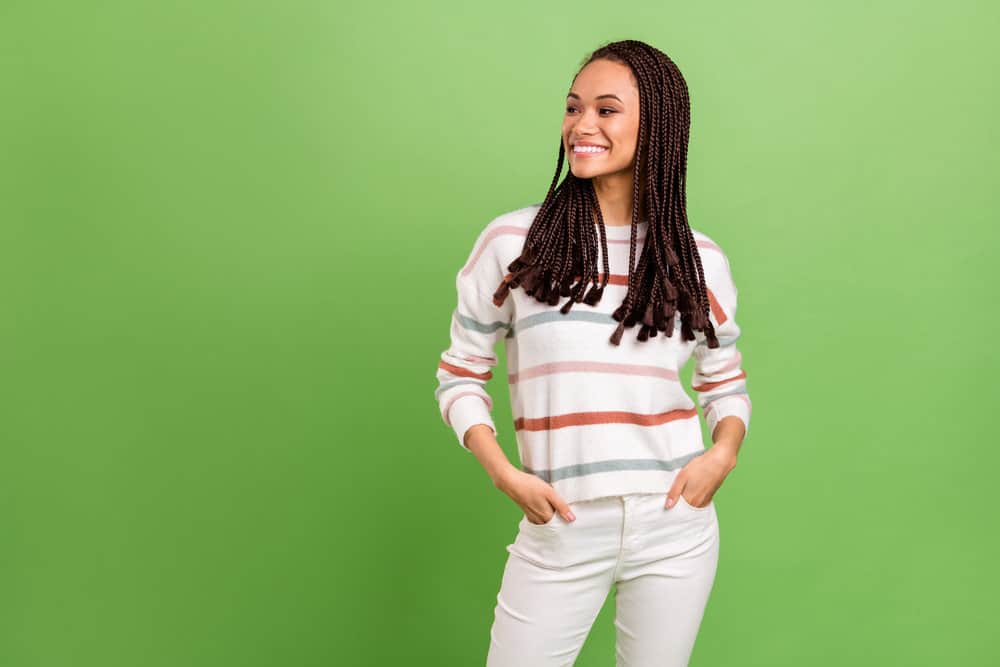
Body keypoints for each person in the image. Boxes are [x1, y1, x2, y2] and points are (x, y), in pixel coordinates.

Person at [434, 39, 751, 666]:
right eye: (574, 107)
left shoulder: (697, 258)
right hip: (562, 526)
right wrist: (503, 472)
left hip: (675, 524)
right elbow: (460, 373)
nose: (582, 125)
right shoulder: (514, 242)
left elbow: (724, 380)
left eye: (607, 110)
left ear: (655, 125)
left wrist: (723, 453)